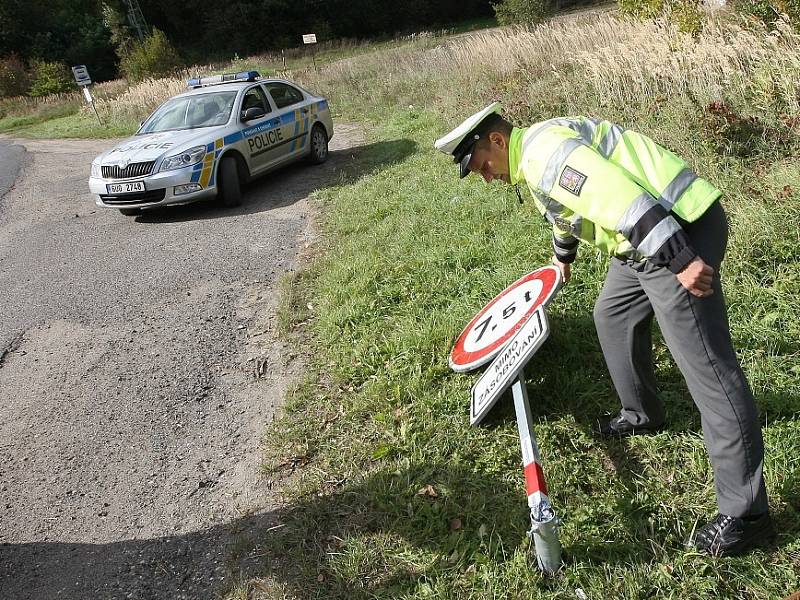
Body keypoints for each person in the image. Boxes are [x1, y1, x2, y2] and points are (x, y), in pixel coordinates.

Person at [434, 102, 772, 557]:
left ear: (496, 141)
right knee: (611, 316)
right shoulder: (534, 154)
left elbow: (620, 198)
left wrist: (681, 259)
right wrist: (563, 258)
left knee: (709, 370)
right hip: (637, 245)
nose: (485, 177)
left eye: (481, 166)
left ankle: (746, 514)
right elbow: (568, 210)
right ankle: (642, 414)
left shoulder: (541, 155)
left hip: (676, 230)